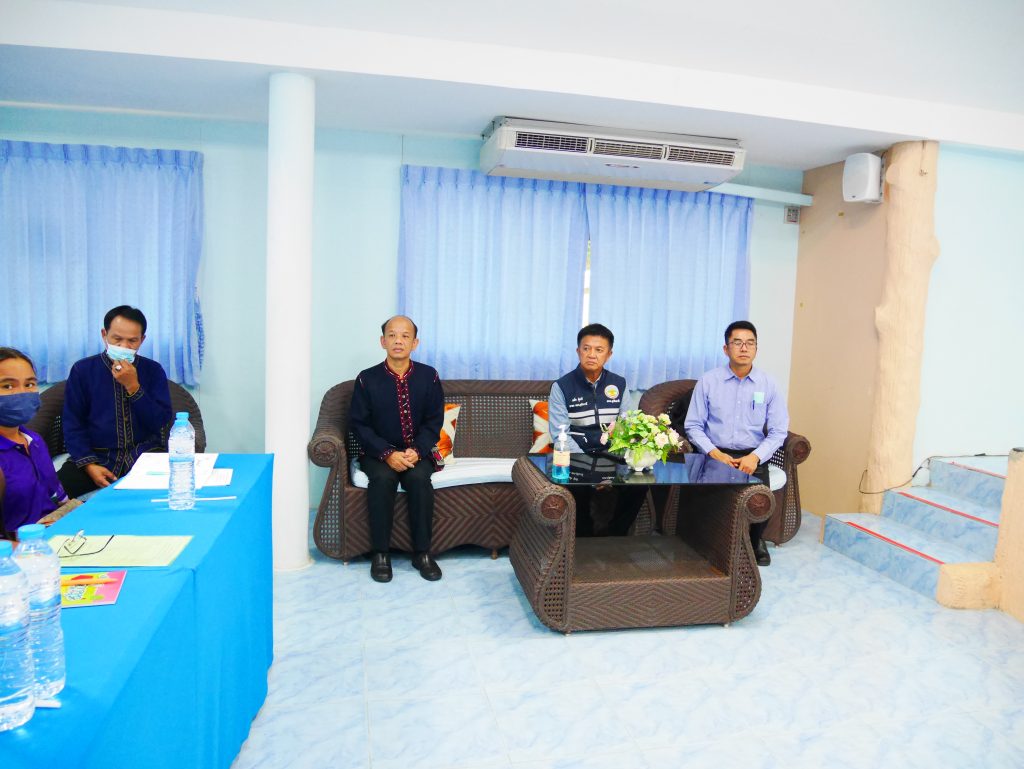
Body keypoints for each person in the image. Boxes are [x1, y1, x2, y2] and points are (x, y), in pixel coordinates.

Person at [684, 320, 789, 566]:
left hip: (752, 454)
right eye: (737, 342)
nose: (744, 348)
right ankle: (712, 540)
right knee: (709, 503)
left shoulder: (769, 384)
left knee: (760, 498)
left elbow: (778, 431)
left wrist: (755, 457)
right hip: (715, 453)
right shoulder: (708, 381)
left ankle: (756, 540)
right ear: (726, 348)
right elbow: (693, 425)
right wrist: (714, 453)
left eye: (750, 343)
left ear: (756, 349)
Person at [349, 316, 444, 583]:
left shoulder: (429, 376)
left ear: (415, 343)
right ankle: (381, 553)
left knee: (419, 479)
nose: (398, 341)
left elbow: (434, 421)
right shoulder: (366, 379)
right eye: (392, 335)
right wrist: (387, 453)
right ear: (383, 342)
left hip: (417, 452)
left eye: (405, 336)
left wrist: (418, 449)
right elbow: (359, 424)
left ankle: (422, 553)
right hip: (377, 453)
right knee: (382, 479)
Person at [57, 306, 173, 498]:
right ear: (104, 335)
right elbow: (72, 423)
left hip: (144, 454)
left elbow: (160, 421)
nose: (124, 346)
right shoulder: (83, 370)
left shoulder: (153, 370)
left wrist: (133, 387)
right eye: (117, 339)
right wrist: (89, 464)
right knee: (55, 493)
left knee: (171, 489)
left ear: (142, 339)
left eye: (132, 341)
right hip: (97, 456)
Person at [548, 324, 646, 537]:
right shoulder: (561, 386)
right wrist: (591, 475)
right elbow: (559, 434)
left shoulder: (618, 384)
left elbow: (628, 425)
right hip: (576, 456)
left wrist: (611, 469)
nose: (591, 354)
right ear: (578, 351)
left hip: (611, 456)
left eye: (599, 350)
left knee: (640, 484)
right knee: (577, 488)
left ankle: (615, 535)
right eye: (586, 348)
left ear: (609, 354)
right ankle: (583, 538)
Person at [0, 348, 70, 537]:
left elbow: (57, 497)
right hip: (20, 547)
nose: (22, 393)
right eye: (8, 386)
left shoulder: (33, 440)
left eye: (29, 384)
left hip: (55, 533)